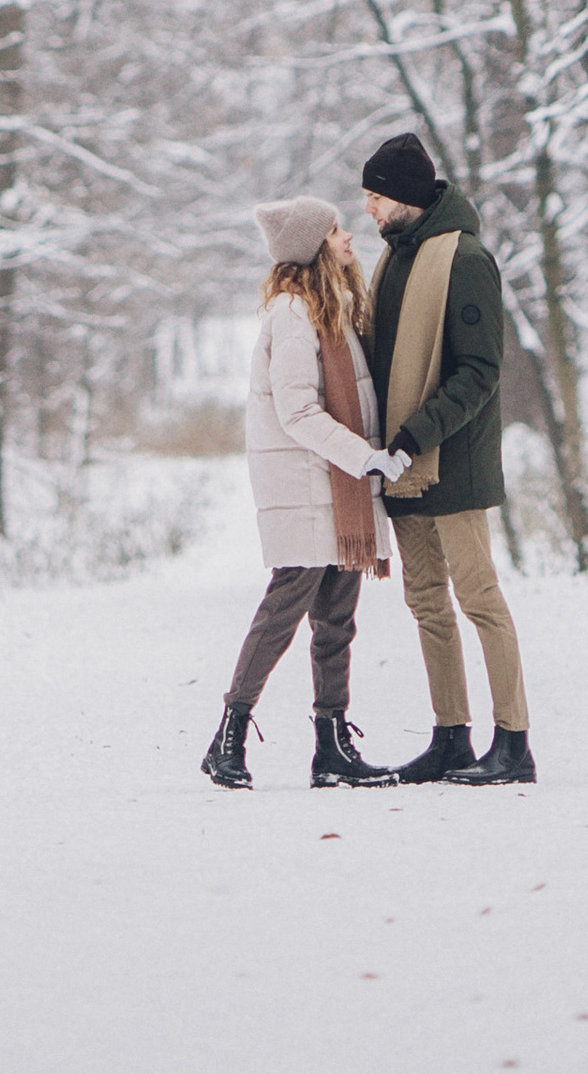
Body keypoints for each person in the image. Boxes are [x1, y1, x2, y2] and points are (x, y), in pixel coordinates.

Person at [202, 196, 410, 792]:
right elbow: (297, 411)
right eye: (337, 231)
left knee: (336, 622)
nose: (348, 239)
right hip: (307, 488)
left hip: (339, 490)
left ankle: (332, 746)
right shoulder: (294, 315)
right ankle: (228, 738)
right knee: (283, 613)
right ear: (315, 246)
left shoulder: (334, 311)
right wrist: (364, 457)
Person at [360, 130, 536, 786]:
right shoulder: (396, 260)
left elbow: (481, 370)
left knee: (479, 597)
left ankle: (513, 741)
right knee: (426, 601)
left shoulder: (465, 259)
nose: (370, 210)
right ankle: (451, 736)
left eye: (377, 197)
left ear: (406, 197)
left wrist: (413, 437)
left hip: (450, 461)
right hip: (403, 463)